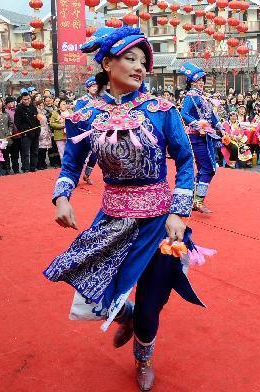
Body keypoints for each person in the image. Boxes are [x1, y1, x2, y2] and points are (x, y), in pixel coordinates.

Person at [43, 26, 211, 392]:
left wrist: (178, 212)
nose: (140, 67)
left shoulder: (161, 111)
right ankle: (127, 316)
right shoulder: (86, 113)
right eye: (130, 59)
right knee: (92, 292)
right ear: (107, 63)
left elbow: (185, 161)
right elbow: (71, 165)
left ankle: (143, 358)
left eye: (143, 62)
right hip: (113, 218)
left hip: (158, 223)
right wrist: (62, 197)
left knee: (151, 303)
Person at [179, 61, 223, 214]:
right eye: (197, 81)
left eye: (202, 80)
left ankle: (195, 200)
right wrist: (198, 124)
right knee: (208, 168)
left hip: (207, 136)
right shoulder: (191, 96)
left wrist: (220, 128)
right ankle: (197, 200)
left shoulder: (203, 97)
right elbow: (184, 114)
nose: (201, 83)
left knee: (206, 167)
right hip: (196, 137)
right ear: (191, 82)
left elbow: (212, 116)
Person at [76, 76, 101, 185]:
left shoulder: (101, 100)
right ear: (87, 88)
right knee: (81, 155)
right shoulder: (82, 101)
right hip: (84, 131)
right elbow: (78, 115)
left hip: (97, 131)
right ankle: (74, 176)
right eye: (92, 86)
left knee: (95, 155)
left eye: (96, 86)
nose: (95, 88)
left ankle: (87, 175)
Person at [14, 91, 40, 172]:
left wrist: (38, 130)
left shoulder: (33, 107)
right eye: (25, 99)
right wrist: (23, 132)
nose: (27, 101)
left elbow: (37, 119)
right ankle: (26, 168)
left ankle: (33, 167)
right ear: (22, 100)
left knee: (35, 151)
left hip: (35, 132)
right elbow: (17, 122)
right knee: (25, 153)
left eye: (28, 99)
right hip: (26, 133)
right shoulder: (19, 109)